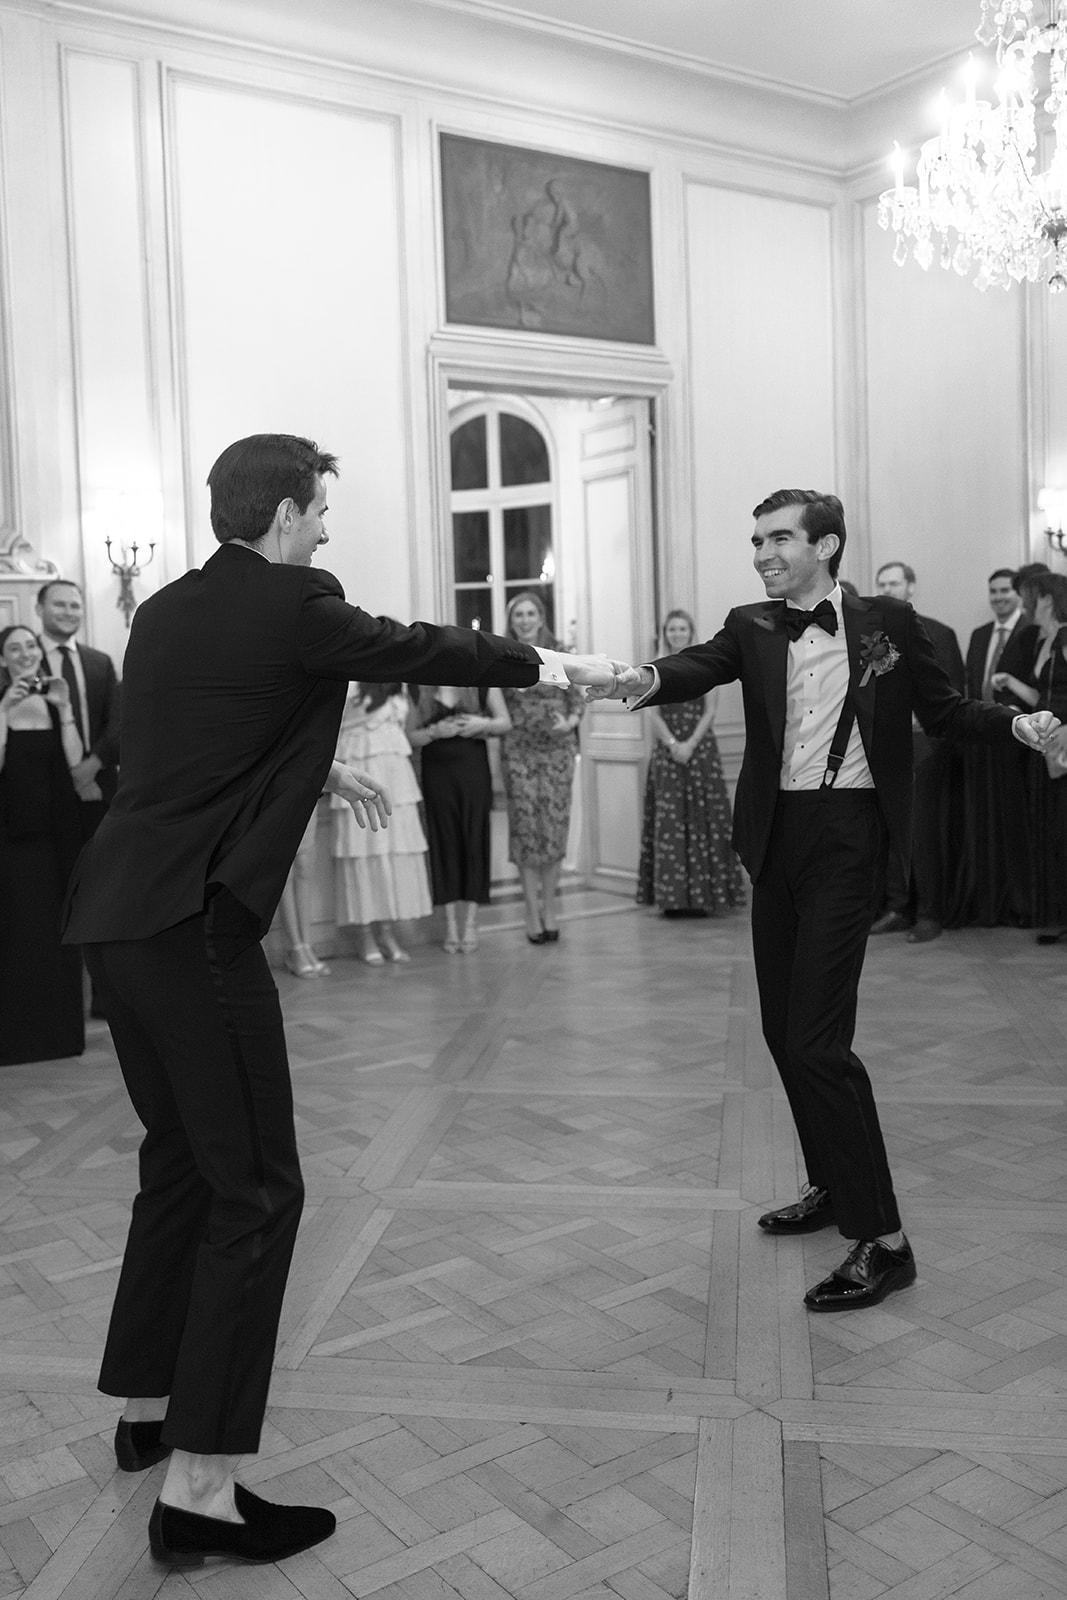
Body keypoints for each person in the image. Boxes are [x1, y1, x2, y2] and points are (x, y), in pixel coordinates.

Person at [60, 433, 611, 1568]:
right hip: (195, 933)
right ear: (284, 514)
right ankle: (200, 1493)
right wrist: (557, 665)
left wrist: (323, 767)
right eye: (318, 511)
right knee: (258, 1191)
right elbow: (420, 644)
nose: (325, 530)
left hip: (116, 919)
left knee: (181, 1164)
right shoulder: (299, 601)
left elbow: (186, 750)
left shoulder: (161, 612)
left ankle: (148, 1413)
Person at [589, 489, 1058, 1314]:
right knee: (782, 1031)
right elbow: (696, 665)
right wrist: (639, 678)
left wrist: (1016, 727)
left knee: (817, 1041)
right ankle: (830, 1185)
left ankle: (885, 1241)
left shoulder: (887, 623)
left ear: (825, 545)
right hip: (776, 840)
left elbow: (943, 708)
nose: (762, 554)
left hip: (848, 837)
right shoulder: (750, 624)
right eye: (756, 541)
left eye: (778, 539)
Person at [0, 624, 85, 1066]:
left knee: (55, 933)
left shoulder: (54, 701)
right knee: (17, 934)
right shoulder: (1, 701)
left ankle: (60, 1036)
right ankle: (16, 1039)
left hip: (56, 838)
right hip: (11, 840)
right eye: (14, 649)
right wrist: (3, 710)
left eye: (30, 646)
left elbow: (75, 763)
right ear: (3, 659)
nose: (25, 653)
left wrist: (65, 707)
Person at [868, 562, 964, 944]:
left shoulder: (938, 633)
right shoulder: (871, 636)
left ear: (910, 587)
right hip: (884, 747)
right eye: (882, 583)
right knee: (892, 832)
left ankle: (929, 913)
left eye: (894, 582)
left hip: (925, 744)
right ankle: (898, 907)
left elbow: (953, 694)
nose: (888, 588)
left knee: (922, 833)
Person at [636, 607, 744, 918]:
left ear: (691, 632)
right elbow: (652, 713)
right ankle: (673, 899)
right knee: (669, 824)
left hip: (700, 752)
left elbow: (710, 711)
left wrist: (690, 744)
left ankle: (704, 897)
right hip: (668, 754)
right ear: (665, 634)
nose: (677, 634)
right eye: (672, 629)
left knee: (703, 820)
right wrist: (673, 744)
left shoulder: (704, 665)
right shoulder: (653, 669)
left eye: (682, 628)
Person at [948, 567, 1035, 928]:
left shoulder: (1031, 631)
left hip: (1020, 743)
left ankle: (1021, 903)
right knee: (984, 824)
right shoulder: (980, 634)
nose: (998, 598)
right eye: (993, 592)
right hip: (982, 742)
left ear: (1018, 595)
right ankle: (988, 902)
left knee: (1016, 825)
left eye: (1004, 591)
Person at [500, 592, 584, 943]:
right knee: (525, 832)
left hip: (558, 752)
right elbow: (494, 703)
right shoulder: (502, 655)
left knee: (553, 830)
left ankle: (550, 908)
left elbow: (578, 700)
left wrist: (570, 723)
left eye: (530, 613)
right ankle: (531, 912)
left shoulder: (559, 652)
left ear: (541, 617)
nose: (525, 620)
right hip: (518, 752)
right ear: (511, 620)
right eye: (518, 614)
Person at [991, 571, 1067, 943]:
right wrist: (1010, 682)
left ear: (1047, 600)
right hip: (1052, 748)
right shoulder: (1043, 640)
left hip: (1064, 745)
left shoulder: (1064, 637)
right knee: (1054, 834)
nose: (1026, 603)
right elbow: (1042, 698)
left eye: (1030, 596)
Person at [332, 678, 431, 963]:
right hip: (358, 766)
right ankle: (364, 933)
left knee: (393, 852)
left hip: (396, 773)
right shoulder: (349, 683)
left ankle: (387, 931)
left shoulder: (400, 684)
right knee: (361, 852)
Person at [408, 682, 511, 952]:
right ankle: (451, 926)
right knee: (444, 842)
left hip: (473, 769)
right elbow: (410, 736)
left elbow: (505, 723)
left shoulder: (482, 684)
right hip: (436, 772)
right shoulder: (418, 687)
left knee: (475, 839)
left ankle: (471, 923)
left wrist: (481, 724)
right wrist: (434, 731)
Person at [35, 578, 121, 838]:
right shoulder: (24, 658)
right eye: (59, 604)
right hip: (43, 790)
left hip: (99, 786)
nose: (68, 612)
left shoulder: (100, 662)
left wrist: (91, 766)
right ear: (39, 609)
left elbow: (118, 722)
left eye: (75, 606)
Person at [277, 810, 329, 977]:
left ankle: (306, 944)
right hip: (273, 801)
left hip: (305, 799)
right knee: (284, 868)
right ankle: (295, 948)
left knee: (304, 864)